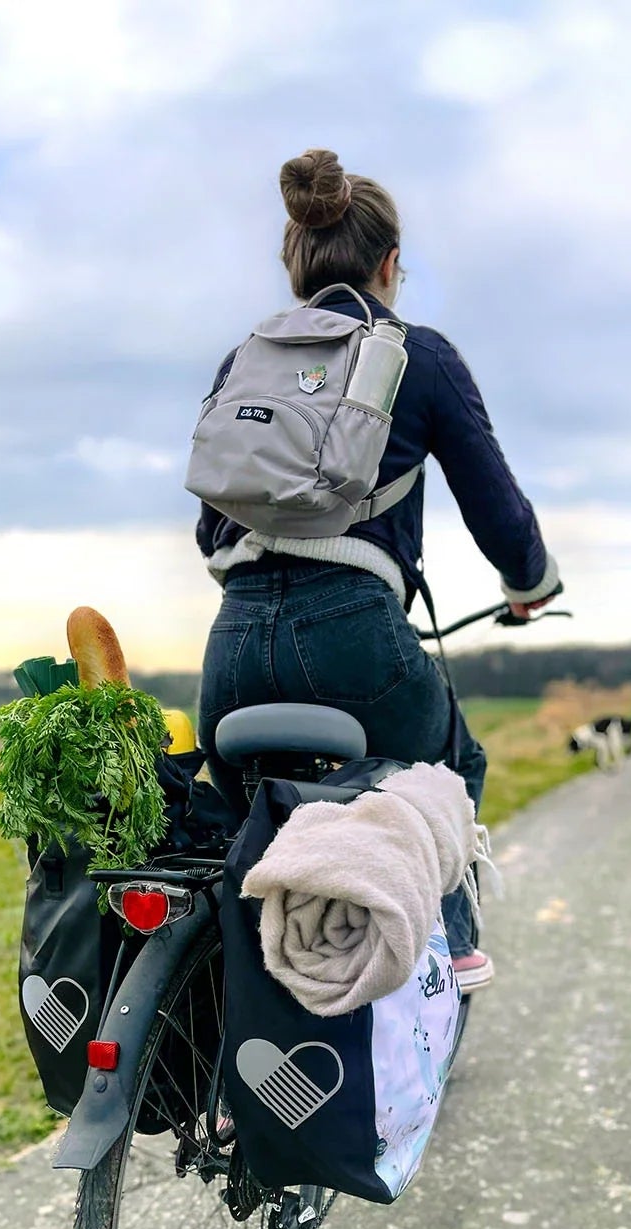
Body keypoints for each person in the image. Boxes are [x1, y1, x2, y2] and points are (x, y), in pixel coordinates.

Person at [196, 148, 561, 993]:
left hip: (233, 645)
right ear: (390, 264)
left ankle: (231, 987)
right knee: (448, 769)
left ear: (294, 265)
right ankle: (451, 950)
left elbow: (209, 529)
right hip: (356, 635)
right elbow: (496, 509)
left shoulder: (243, 362)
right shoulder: (417, 356)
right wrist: (529, 584)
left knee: (246, 824)